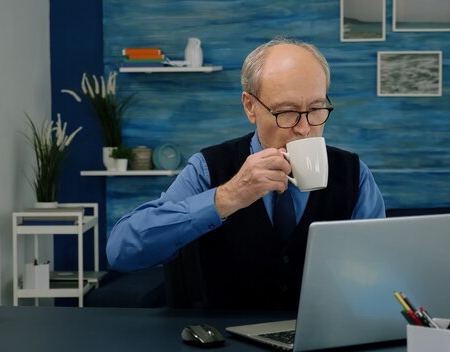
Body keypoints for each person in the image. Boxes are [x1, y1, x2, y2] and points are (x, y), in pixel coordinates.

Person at [106, 37, 386, 310]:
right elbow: (121, 253)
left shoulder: (354, 174)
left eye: (315, 109)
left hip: (321, 337)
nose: (304, 128)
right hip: (225, 339)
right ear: (250, 107)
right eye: (287, 112)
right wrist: (227, 197)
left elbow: (380, 273)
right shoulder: (208, 168)